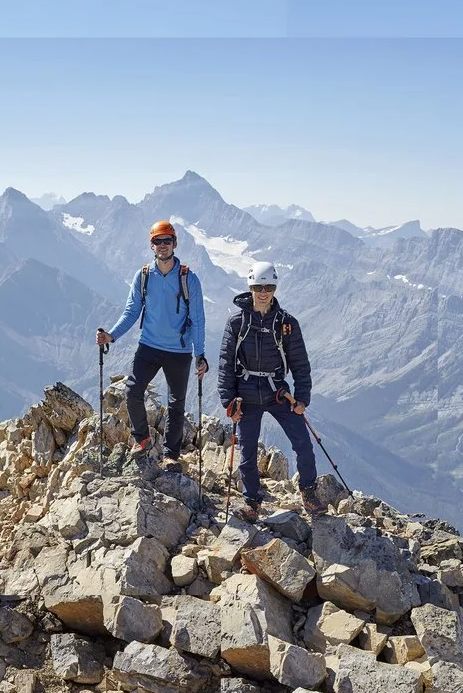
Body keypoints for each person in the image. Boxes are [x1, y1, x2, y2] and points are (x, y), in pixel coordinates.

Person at [97, 216, 207, 466]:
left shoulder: (189, 279)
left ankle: (171, 455)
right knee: (132, 391)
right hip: (148, 346)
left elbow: (198, 320)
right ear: (152, 245)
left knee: (176, 404)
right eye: (158, 241)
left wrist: (200, 355)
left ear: (175, 243)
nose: (162, 245)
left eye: (167, 240)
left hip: (179, 351)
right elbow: (131, 311)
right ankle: (142, 439)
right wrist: (111, 335)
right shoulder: (143, 276)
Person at [216, 263, 324, 518]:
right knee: (248, 451)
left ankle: (308, 493)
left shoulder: (287, 323)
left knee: (303, 445)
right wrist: (228, 401)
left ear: (274, 288)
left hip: (278, 394)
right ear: (250, 287)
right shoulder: (236, 323)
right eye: (258, 287)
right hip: (247, 396)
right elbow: (225, 362)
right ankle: (252, 502)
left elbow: (300, 363)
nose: (263, 292)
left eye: (269, 287)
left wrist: (302, 398)